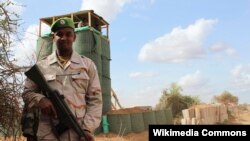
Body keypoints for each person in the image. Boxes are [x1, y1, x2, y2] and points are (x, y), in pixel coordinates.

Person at [22, 17, 102, 141]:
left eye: (68, 34)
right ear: (53, 38)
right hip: (47, 134)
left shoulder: (87, 65)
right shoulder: (41, 66)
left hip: (78, 133)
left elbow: (95, 101)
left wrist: (87, 129)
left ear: (74, 37)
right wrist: (40, 99)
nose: (64, 38)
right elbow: (27, 93)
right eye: (59, 34)